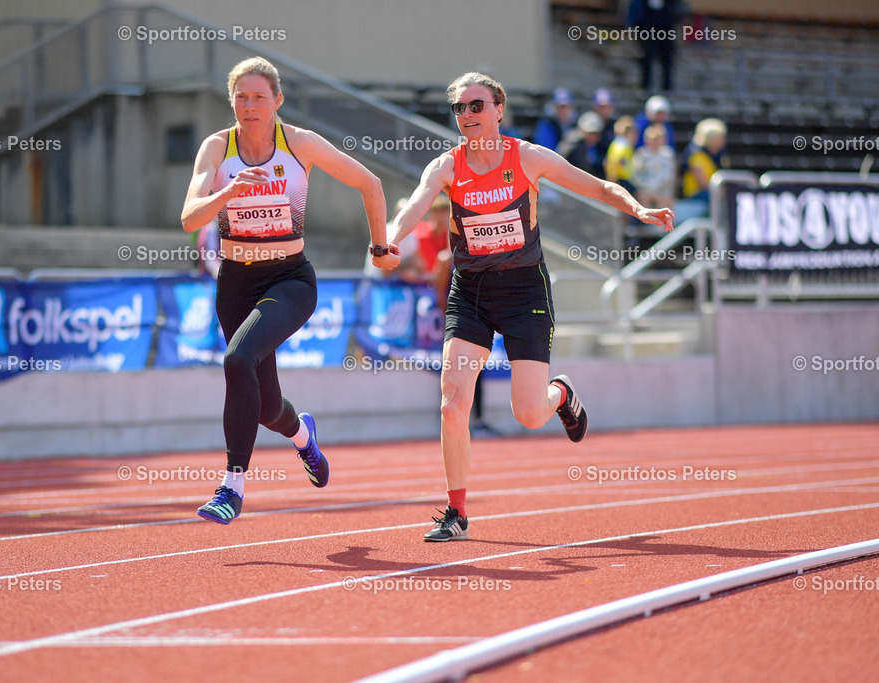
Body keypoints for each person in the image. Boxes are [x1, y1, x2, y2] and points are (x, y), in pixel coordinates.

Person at [383, 72, 673, 542]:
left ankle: (561, 393)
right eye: (459, 108)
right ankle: (456, 513)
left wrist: (638, 210)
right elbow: (415, 206)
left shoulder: (528, 157)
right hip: (471, 291)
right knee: (452, 406)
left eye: (476, 106)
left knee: (530, 414)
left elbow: (597, 187)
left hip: (525, 293)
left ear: (499, 109)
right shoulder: (447, 165)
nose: (467, 116)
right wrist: (390, 241)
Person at [181, 56, 392, 524]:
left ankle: (231, 487)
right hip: (235, 282)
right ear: (231, 101)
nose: (249, 106)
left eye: (259, 97)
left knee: (237, 359)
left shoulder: (299, 145)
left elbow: (370, 184)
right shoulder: (217, 148)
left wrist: (379, 247)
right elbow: (190, 218)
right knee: (266, 405)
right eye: (241, 97)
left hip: (290, 280)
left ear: (277, 101)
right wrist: (228, 193)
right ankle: (304, 437)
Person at [681, 117, 728, 203]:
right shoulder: (696, 154)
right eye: (720, 137)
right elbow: (703, 184)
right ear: (710, 138)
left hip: (710, 192)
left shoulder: (719, 155)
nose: (723, 141)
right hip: (696, 195)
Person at [633, 123, 677, 210]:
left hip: (662, 189)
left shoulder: (668, 154)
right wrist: (648, 187)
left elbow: (669, 176)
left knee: (666, 199)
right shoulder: (641, 154)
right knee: (642, 197)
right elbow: (636, 174)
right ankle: (646, 222)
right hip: (645, 189)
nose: (655, 142)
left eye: (657, 139)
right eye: (652, 139)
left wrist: (657, 188)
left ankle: (663, 223)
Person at [559, 111, 607, 179]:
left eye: (596, 133)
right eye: (590, 133)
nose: (593, 136)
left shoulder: (599, 145)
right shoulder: (573, 146)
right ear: (582, 131)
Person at [532, 87, 577, 151]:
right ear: (553, 107)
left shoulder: (576, 124)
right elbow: (545, 150)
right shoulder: (546, 125)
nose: (563, 110)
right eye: (560, 107)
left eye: (566, 106)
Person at [605, 116, 638, 193]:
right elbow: (615, 162)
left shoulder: (616, 143)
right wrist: (613, 180)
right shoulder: (624, 145)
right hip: (621, 180)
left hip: (620, 179)